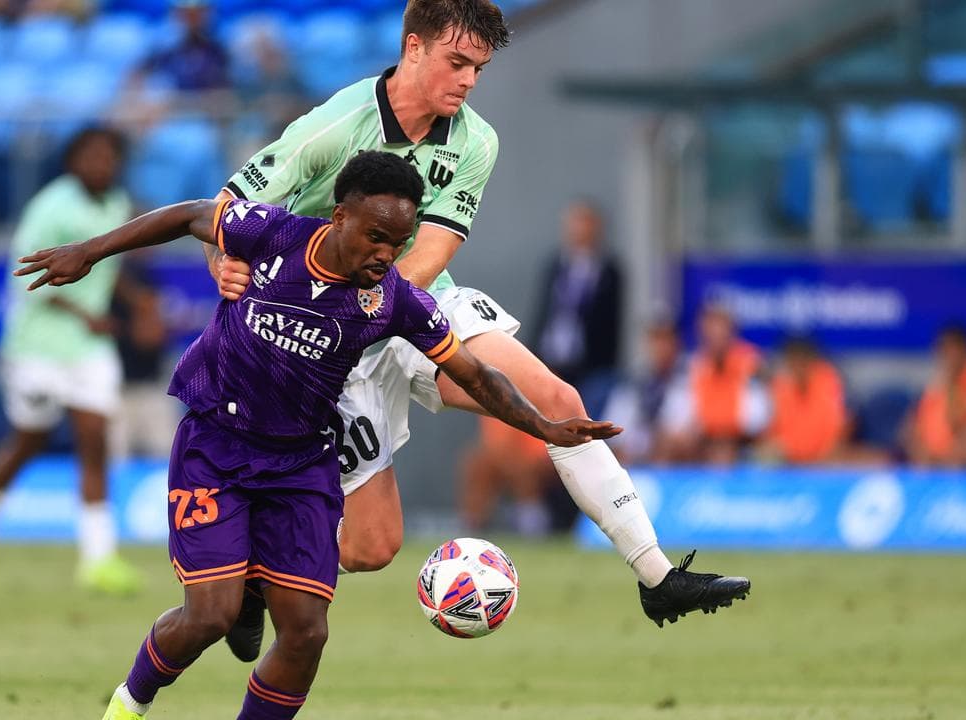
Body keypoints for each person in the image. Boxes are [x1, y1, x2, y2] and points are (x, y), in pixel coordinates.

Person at [209, 0, 750, 649]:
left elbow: (431, 254)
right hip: (317, 339)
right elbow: (227, 207)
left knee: (554, 400)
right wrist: (227, 266)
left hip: (410, 303)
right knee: (371, 547)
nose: (467, 80)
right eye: (456, 62)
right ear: (413, 48)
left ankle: (657, 577)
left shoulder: (475, 142)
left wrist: (388, 316)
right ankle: (256, 573)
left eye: (479, 69)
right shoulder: (333, 126)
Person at [16, 151, 626, 720]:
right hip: (216, 447)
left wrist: (545, 426)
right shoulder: (272, 235)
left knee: (307, 632)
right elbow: (189, 215)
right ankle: (127, 704)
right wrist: (90, 251)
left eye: (400, 241)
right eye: (375, 236)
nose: (387, 253)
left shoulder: (395, 303)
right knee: (211, 615)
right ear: (340, 216)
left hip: (301, 463)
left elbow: (474, 373)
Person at [0, 127, 141, 595]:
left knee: (93, 438)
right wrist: (85, 314)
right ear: (72, 161)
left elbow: (104, 265)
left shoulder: (117, 204)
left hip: (89, 349)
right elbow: (24, 277)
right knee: (29, 440)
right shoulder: (50, 207)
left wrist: (138, 302)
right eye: (91, 156)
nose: (101, 165)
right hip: (38, 346)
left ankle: (98, 558)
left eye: (109, 157)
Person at [656, 303, 769, 465]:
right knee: (670, 443)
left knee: (731, 450)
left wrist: (720, 427)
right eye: (711, 333)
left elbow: (757, 419)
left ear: (732, 333)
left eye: (721, 333)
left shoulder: (751, 365)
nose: (716, 339)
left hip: (739, 441)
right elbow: (674, 417)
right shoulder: (692, 367)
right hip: (702, 440)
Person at [532, 200, 623, 387]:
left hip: (590, 367)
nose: (578, 229)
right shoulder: (556, 265)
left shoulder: (607, 270)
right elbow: (543, 311)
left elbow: (611, 322)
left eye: (585, 222)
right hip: (550, 360)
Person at [107, 257, 177, 461]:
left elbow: (151, 337)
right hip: (114, 390)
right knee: (114, 460)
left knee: (166, 455)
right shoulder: (100, 288)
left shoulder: (142, 273)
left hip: (151, 387)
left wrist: (143, 309)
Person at [601, 318, 686, 465]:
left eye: (666, 340)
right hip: (635, 452)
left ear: (676, 344)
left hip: (670, 453)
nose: (661, 347)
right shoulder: (633, 380)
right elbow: (613, 428)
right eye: (656, 340)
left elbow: (682, 427)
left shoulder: (686, 377)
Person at [757, 336, 849, 465]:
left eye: (803, 361)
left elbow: (838, 427)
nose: (799, 366)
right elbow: (770, 430)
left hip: (824, 456)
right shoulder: (778, 386)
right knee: (765, 455)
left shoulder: (828, 381)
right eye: (794, 361)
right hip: (788, 457)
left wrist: (821, 455)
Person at [902, 325, 966, 466]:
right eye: (942, 349)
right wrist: (922, 455)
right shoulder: (933, 387)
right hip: (931, 468)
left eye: (952, 349)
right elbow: (910, 429)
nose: (947, 356)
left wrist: (950, 461)